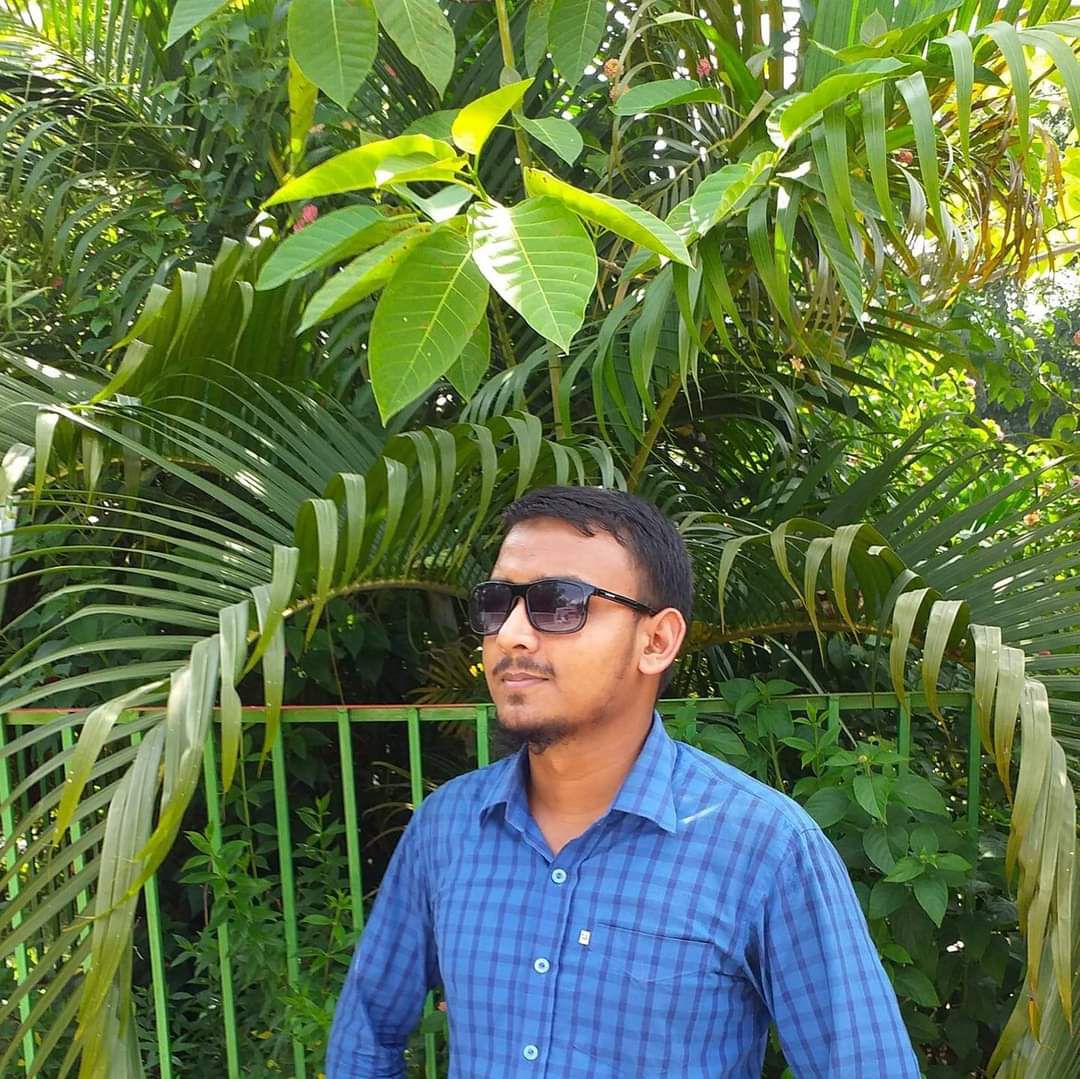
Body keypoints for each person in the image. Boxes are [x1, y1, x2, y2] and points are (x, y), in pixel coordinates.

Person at [325, 485, 920, 1077]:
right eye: (496, 603)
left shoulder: (763, 848)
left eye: (559, 603)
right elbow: (365, 1038)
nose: (510, 634)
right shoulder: (447, 828)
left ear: (656, 641)